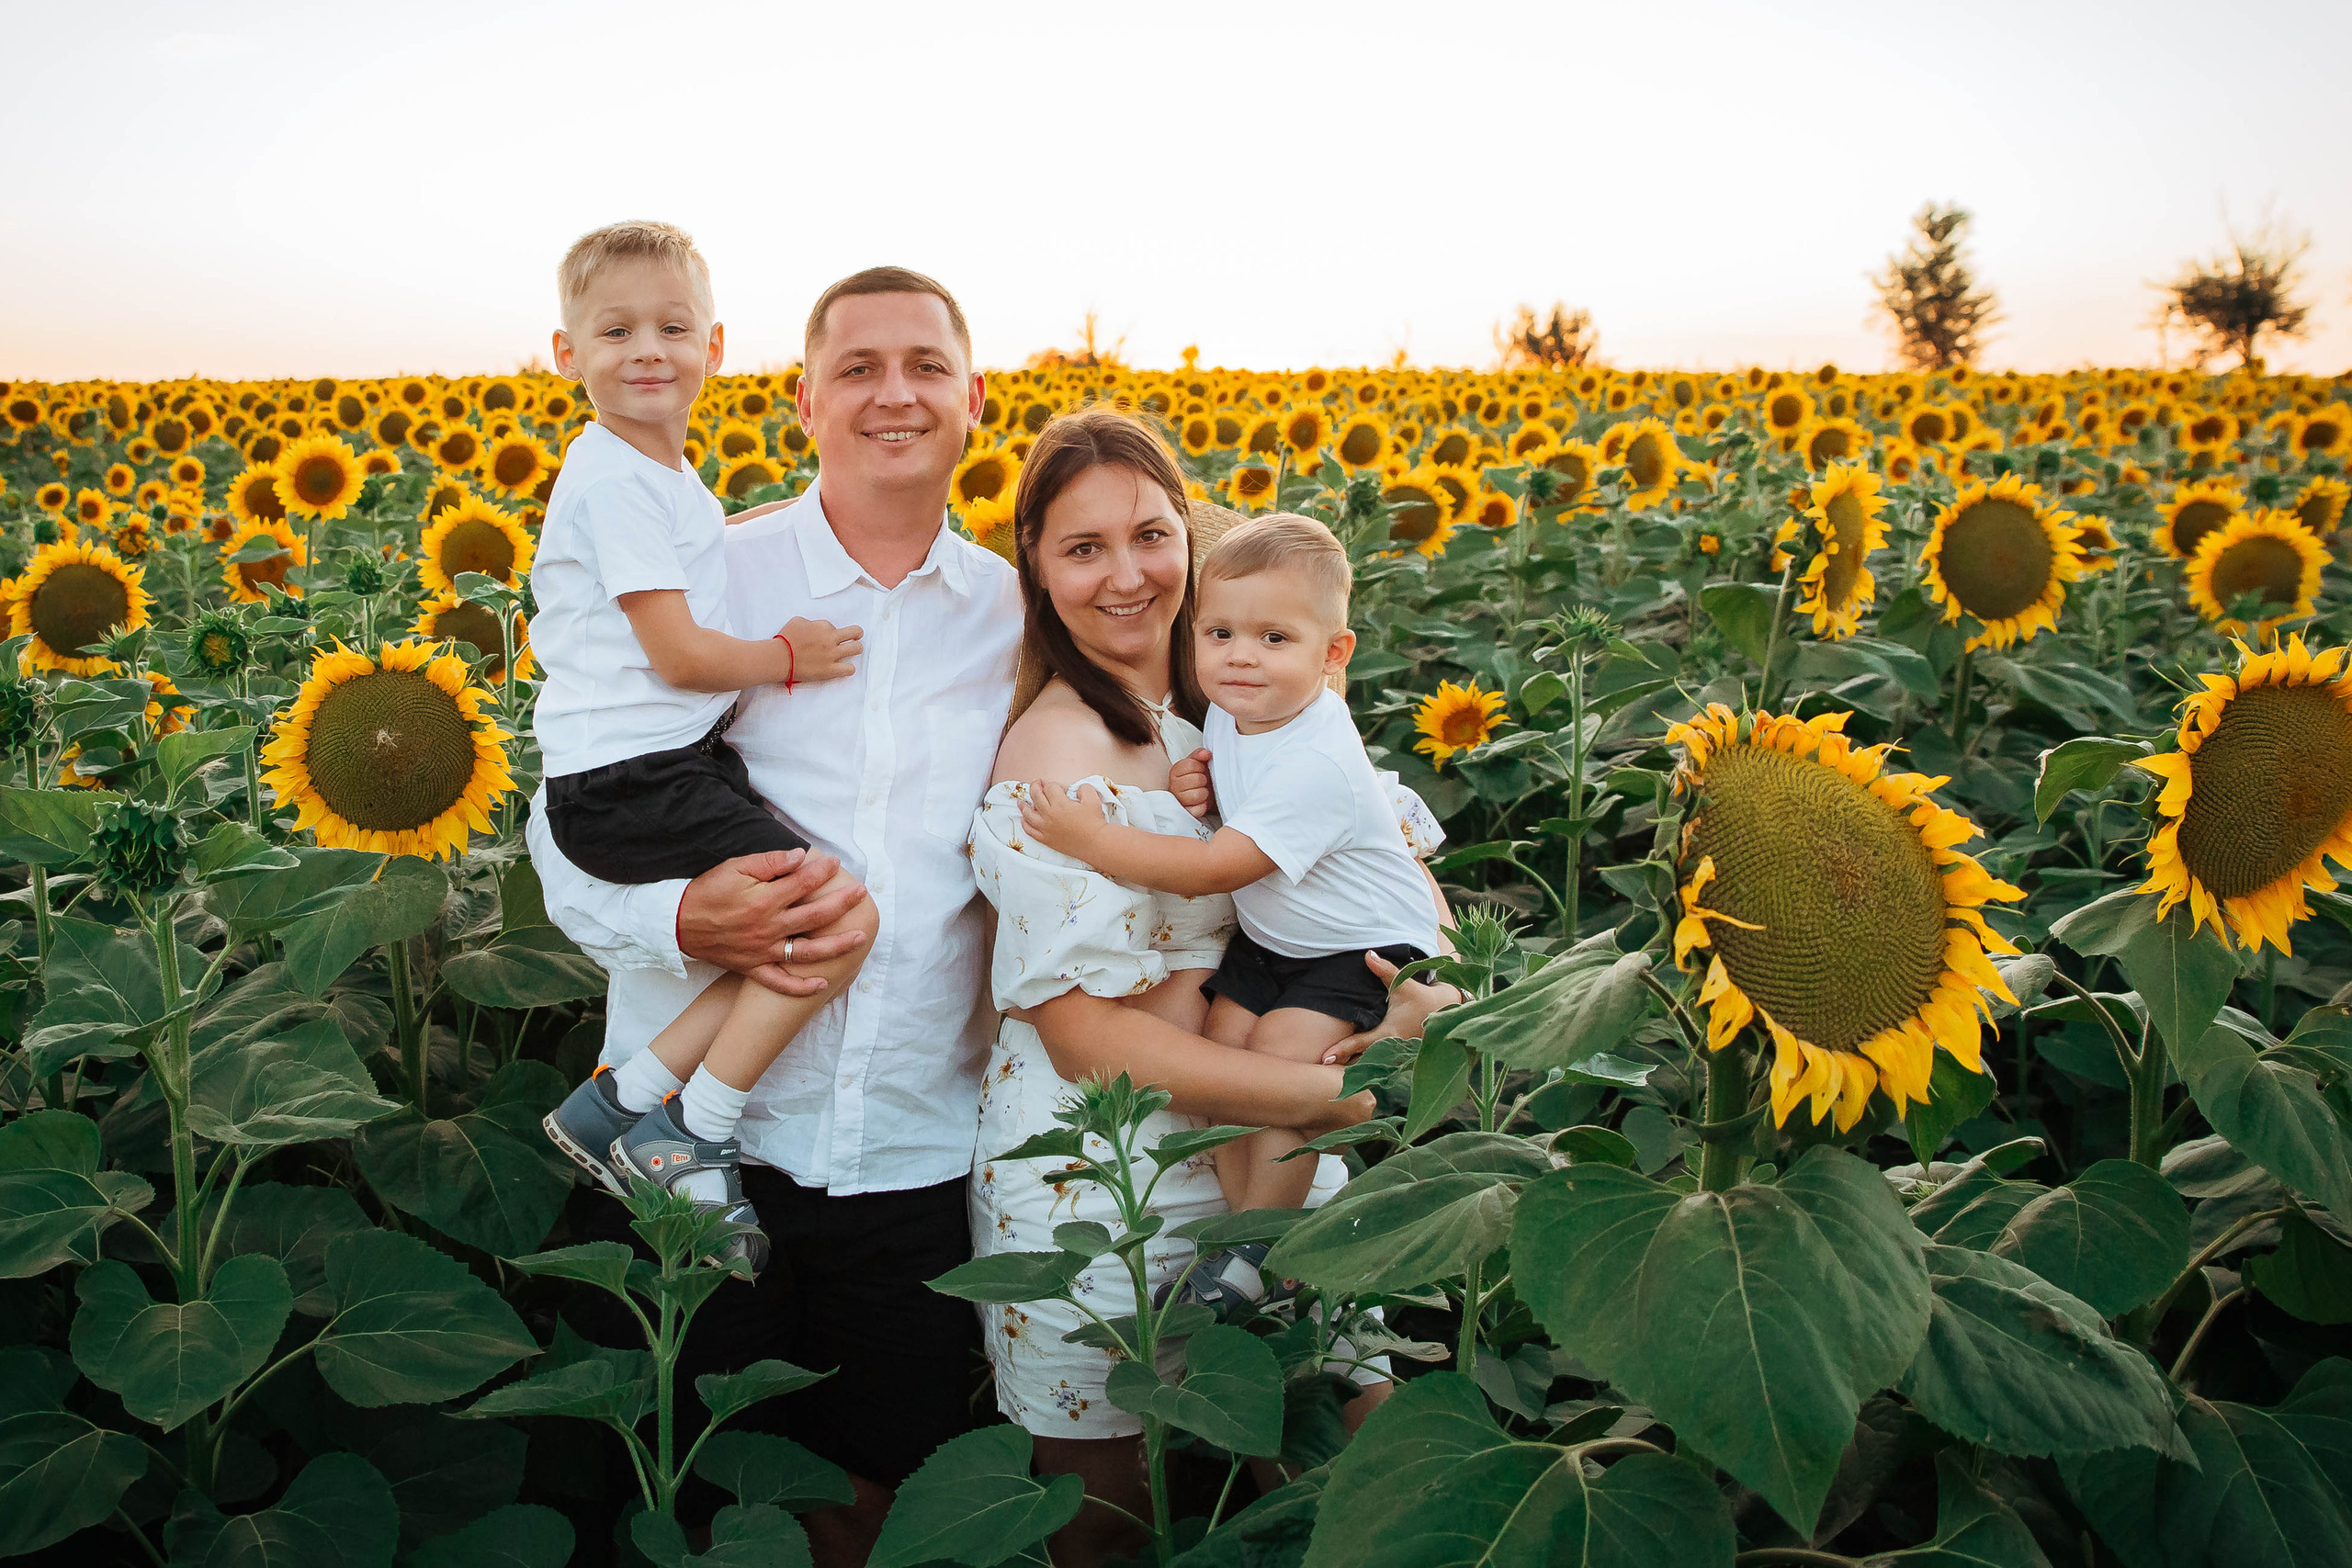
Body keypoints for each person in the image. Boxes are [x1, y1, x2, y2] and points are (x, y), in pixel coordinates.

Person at [967, 407, 1461, 1567]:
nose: (1127, 574)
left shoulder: (1247, 697)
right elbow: (1087, 1041)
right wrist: (1337, 1100)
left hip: (1265, 1154)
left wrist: (1424, 999)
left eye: (1149, 534)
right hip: (1099, 1182)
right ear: (1036, 569)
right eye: (1082, 548)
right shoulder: (1056, 757)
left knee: (1355, 1484)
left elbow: (1380, 867)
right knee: (1111, 1523)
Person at [531, 221, 876, 1275]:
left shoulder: (655, 478)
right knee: (835, 916)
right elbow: (679, 654)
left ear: (714, 347)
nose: (649, 350)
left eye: (672, 327)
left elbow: (695, 564)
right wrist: (785, 655)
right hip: (630, 781)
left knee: (792, 925)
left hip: (650, 772)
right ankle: (690, 1130)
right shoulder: (617, 481)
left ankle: (616, 1105)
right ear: (565, 355)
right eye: (616, 330)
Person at [1017, 513, 1442, 1230]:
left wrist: (1091, 836)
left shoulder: (1314, 754)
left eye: (1273, 639)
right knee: (1228, 1056)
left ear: (1334, 652)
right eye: (1222, 635)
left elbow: (1215, 867)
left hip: (1354, 948)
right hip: (1279, 942)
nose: (1242, 656)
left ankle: (1254, 1245)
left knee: (1283, 1071)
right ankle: (1246, 1225)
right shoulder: (1241, 712)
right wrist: (1201, 783)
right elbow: (1241, 786)